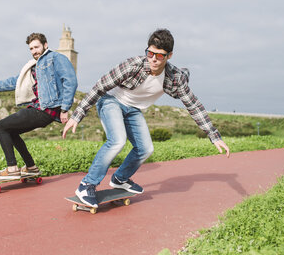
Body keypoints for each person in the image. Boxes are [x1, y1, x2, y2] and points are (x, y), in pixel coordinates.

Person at [62, 28, 229, 208]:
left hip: (133, 109)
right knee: (117, 141)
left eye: (159, 56)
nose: (153, 60)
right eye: (150, 53)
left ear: (169, 56)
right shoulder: (133, 65)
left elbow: (193, 105)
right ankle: (87, 185)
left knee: (146, 148)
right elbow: (99, 87)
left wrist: (214, 136)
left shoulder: (176, 78)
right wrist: (77, 116)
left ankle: (120, 178)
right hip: (111, 101)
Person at [0, 32, 77, 179]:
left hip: (45, 108)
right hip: (38, 108)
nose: (34, 51)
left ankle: (12, 168)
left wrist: (65, 109)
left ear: (45, 45)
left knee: (0, 126)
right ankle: (31, 167)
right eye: (31, 48)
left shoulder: (56, 58)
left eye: (36, 47)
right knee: (11, 131)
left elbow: (70, 81)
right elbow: (14, 81)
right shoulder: (33, 65)